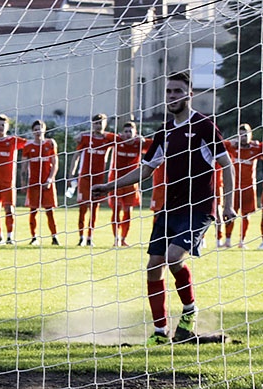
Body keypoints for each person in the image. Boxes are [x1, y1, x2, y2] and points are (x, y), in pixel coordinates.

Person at [93, 71, 235, 346]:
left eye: (177, 91)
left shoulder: (205, 126)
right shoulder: (164, 131)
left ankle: (190, 310)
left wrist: (227, 205)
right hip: (170, 208)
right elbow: (145, 170)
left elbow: (226, 165)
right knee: (153, 266)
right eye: (168, 91)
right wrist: (110, 186)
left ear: (189, 94)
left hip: (199, 207)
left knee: (172, 257)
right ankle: (160, 332)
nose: (172, 96)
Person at [70, 113, 116, 246]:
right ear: (92, 124)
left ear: (105, 124)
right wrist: (71, 174)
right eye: (96, 123)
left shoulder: (108, 139)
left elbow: (122, 139)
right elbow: (76, 156)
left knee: (95, 209)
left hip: (99, 178)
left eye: (101, 122)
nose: (98, 125)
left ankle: (90, 237)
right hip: (85, 177)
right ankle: (81, 237)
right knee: (83, 208)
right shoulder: (85, 138)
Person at [0, 114, 26, 245]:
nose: (1, 127)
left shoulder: (13, 140)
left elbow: (30, 143)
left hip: (8, 182)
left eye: (3, 125)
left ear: (7, 127)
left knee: (9, 209)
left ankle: (10, 236)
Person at [107, 121, 150, 247]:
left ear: (135, 133)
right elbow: (103, 135)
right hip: (115, 182)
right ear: (122, 133)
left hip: (131, 183)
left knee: (128, 212)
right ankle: (116, 239)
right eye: (125, 131)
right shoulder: (116, 140)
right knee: (116, 211)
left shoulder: (139, 143)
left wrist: (143, 140)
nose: (127, 134)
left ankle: (124, 238)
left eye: (130, 131)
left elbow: (157, 145)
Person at [20, 120, 60, 246]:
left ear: (44, 130)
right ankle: (34, 237)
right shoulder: (28, 146)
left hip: (47, 183)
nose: (38, 131)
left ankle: (54, 237)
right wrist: (23, 183)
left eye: (40, 129)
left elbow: (55, 164)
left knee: (50, 211)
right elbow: (24, 167)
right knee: (33, 210)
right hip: (34, 183)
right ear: (33, 131)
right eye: (36, 129)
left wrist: (50, 179)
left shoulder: (50, 144)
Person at [223, 123, 262, 248]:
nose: (243, 137)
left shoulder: (256, 148)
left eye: (245, 135)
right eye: (240, 135)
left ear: (251, 135)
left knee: (246, 215)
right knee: (230, 213)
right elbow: (220, 144)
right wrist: (231, 141)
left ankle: (242, 241)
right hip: (233, 187)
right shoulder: (232, 147)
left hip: (249, 187)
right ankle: (227, 240)